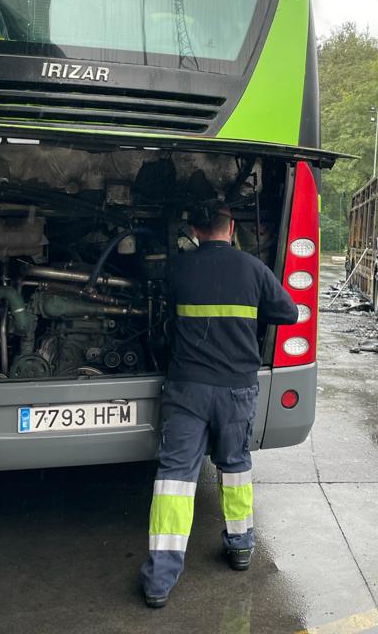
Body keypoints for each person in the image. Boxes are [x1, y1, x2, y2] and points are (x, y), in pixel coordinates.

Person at [139, 199, 298, 608]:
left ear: (195, 229)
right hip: (235, 390)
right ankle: (241, 547)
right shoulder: (252, 268)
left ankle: (159, 581)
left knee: (175, 478)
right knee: (235, 467)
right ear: (231, 229)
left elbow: (156, 309)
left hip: (187, 389)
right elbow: (289, 313)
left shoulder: (179, 267)